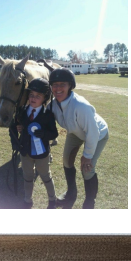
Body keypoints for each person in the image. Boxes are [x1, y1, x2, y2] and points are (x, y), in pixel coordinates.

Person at [48, 68, 109, 209]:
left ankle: (89, 202)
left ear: (70, 85)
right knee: (67, 161)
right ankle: (71, 193)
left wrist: (87, 156)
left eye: (62, 84)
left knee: (87, 169)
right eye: (54, 84)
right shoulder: (52, 105)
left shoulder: (81, 106)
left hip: (98, 134)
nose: (58, 88)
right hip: (75, 132)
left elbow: (93, 133)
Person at [9, 78, 58, 209]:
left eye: (38, 96)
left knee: (46, 176)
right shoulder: (22, 111)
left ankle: (52, 199)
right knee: (27, 177)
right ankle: (27, 199)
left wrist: (44, 134)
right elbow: (18, 125)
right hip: (25, 152)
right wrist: (20, 128)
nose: (33, 98)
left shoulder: (48, 115)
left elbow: (54, 134)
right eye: (31, 95)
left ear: (44, 98)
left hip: (42, 154)